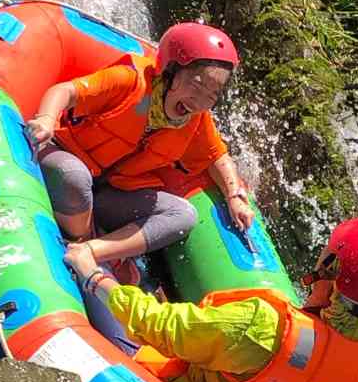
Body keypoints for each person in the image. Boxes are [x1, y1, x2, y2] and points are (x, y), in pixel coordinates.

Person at [64, 218, 358, 382]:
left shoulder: (263, 324)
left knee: (94, 291)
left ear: (332, 268)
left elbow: (155, 325)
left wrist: (94, 275)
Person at [27, 21, 254, 283]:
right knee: (73, 176)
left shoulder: (196, 120)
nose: (200, 101)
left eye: (211, 95)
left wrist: (234, 196)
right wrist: (45, 119)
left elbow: (217, 156)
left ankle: (92, 250)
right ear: (170, 71)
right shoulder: (129, 81)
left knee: (184, 215)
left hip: (110, 194)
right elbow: (65, 91)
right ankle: (80, 238)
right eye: (196, 84)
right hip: (67, 159)